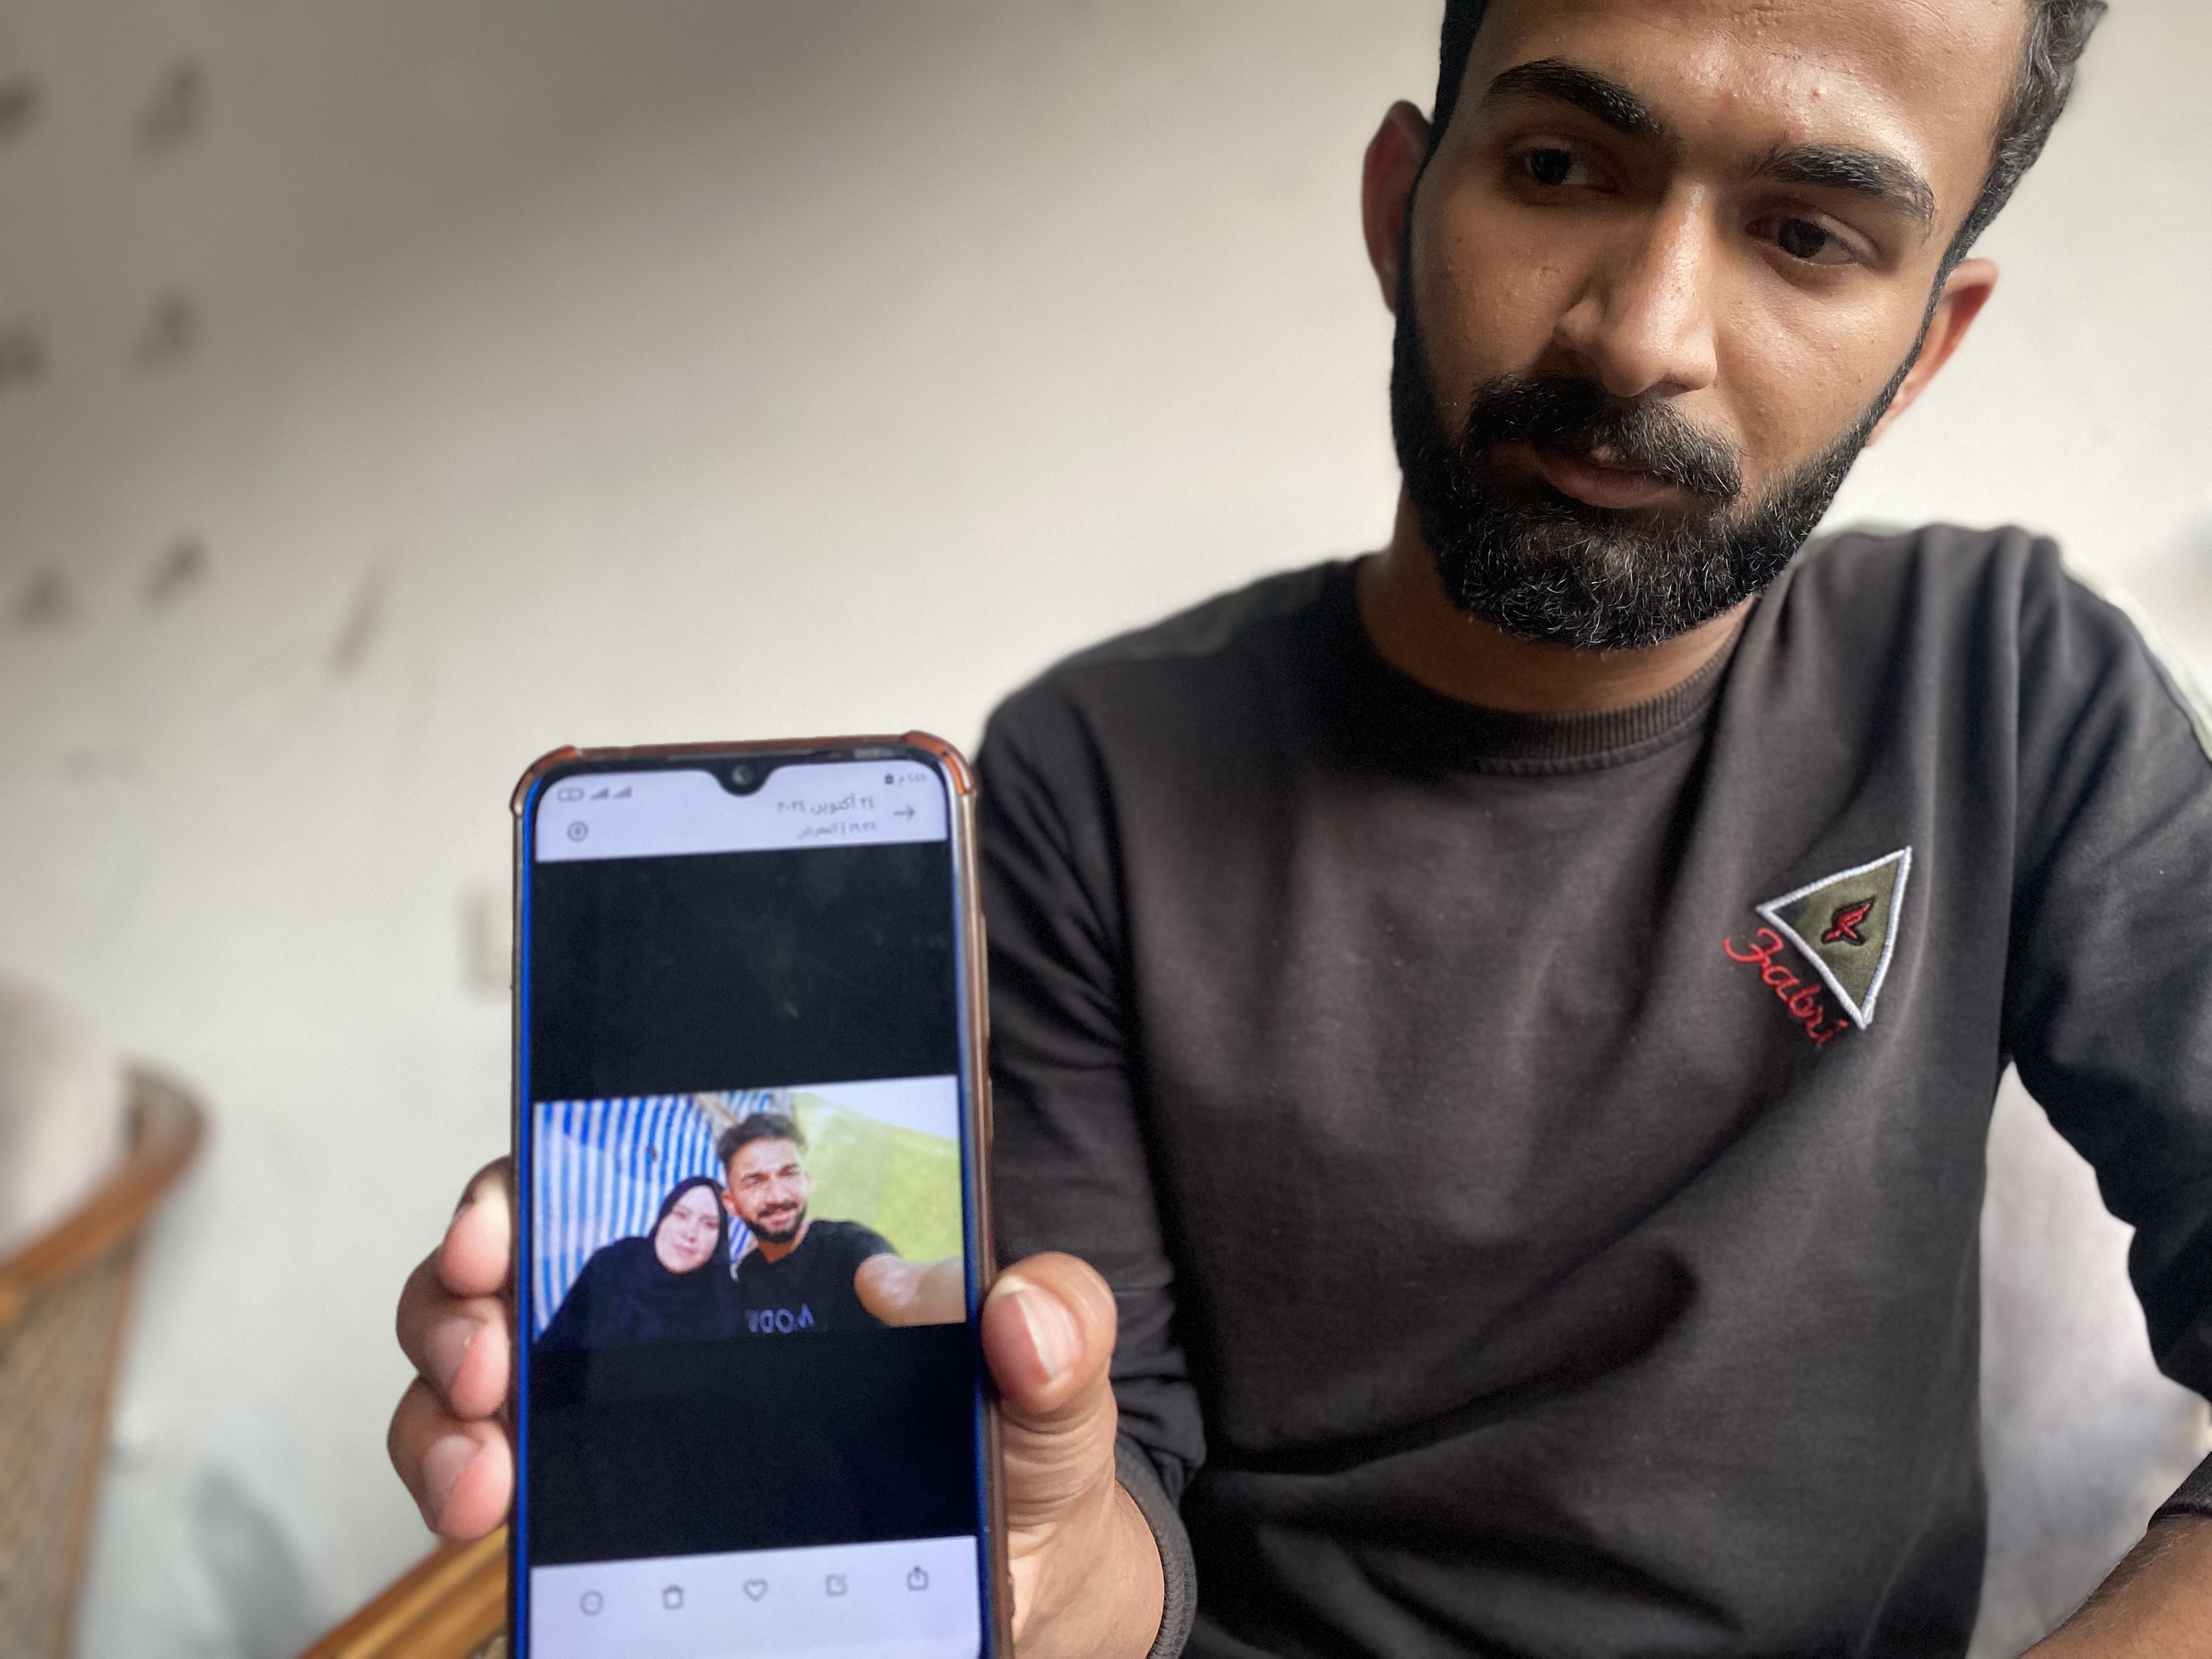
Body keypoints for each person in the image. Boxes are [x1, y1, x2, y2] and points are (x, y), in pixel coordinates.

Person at [392, 1, 2212, 1655]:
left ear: (1923, 347)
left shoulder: (2001, 681)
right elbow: (1110, 1522)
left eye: (1809, 236)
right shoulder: (1090, 774)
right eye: (1560, 166)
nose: (1643, 336)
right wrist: (1019, 1554)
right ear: (1400, 210)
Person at [716, 1112, 963, 1333]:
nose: (778, 1197)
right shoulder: (748, 1271)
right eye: (755, 1182)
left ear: (806, 1182)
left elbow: (904, 1288)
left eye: (789, 1174)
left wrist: (968, 1291)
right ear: (731, 1202)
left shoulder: (847, 1248)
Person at [535, 1174, 731, 1349]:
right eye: (681, 1215)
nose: (690, 1233)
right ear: (663, 1217)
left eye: (710, 1225)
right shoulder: (611, 1266)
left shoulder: (725, 1305)